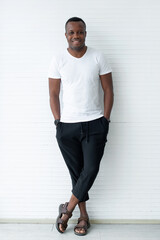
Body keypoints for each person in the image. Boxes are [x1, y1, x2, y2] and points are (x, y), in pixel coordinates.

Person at [48, 16, 114, 236]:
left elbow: (109, 91)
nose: (76, 36)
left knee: (90, 169)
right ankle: (83, 217)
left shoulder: (98, 57)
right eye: (72, 32)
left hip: (95, 123)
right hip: (67, 126)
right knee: (77, 174)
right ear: (66, 35)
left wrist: (105, 119)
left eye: (80, 32)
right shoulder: (58, 59)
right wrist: (58, 121)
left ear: (85, 33)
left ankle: (66, 210)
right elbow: (54, 93)